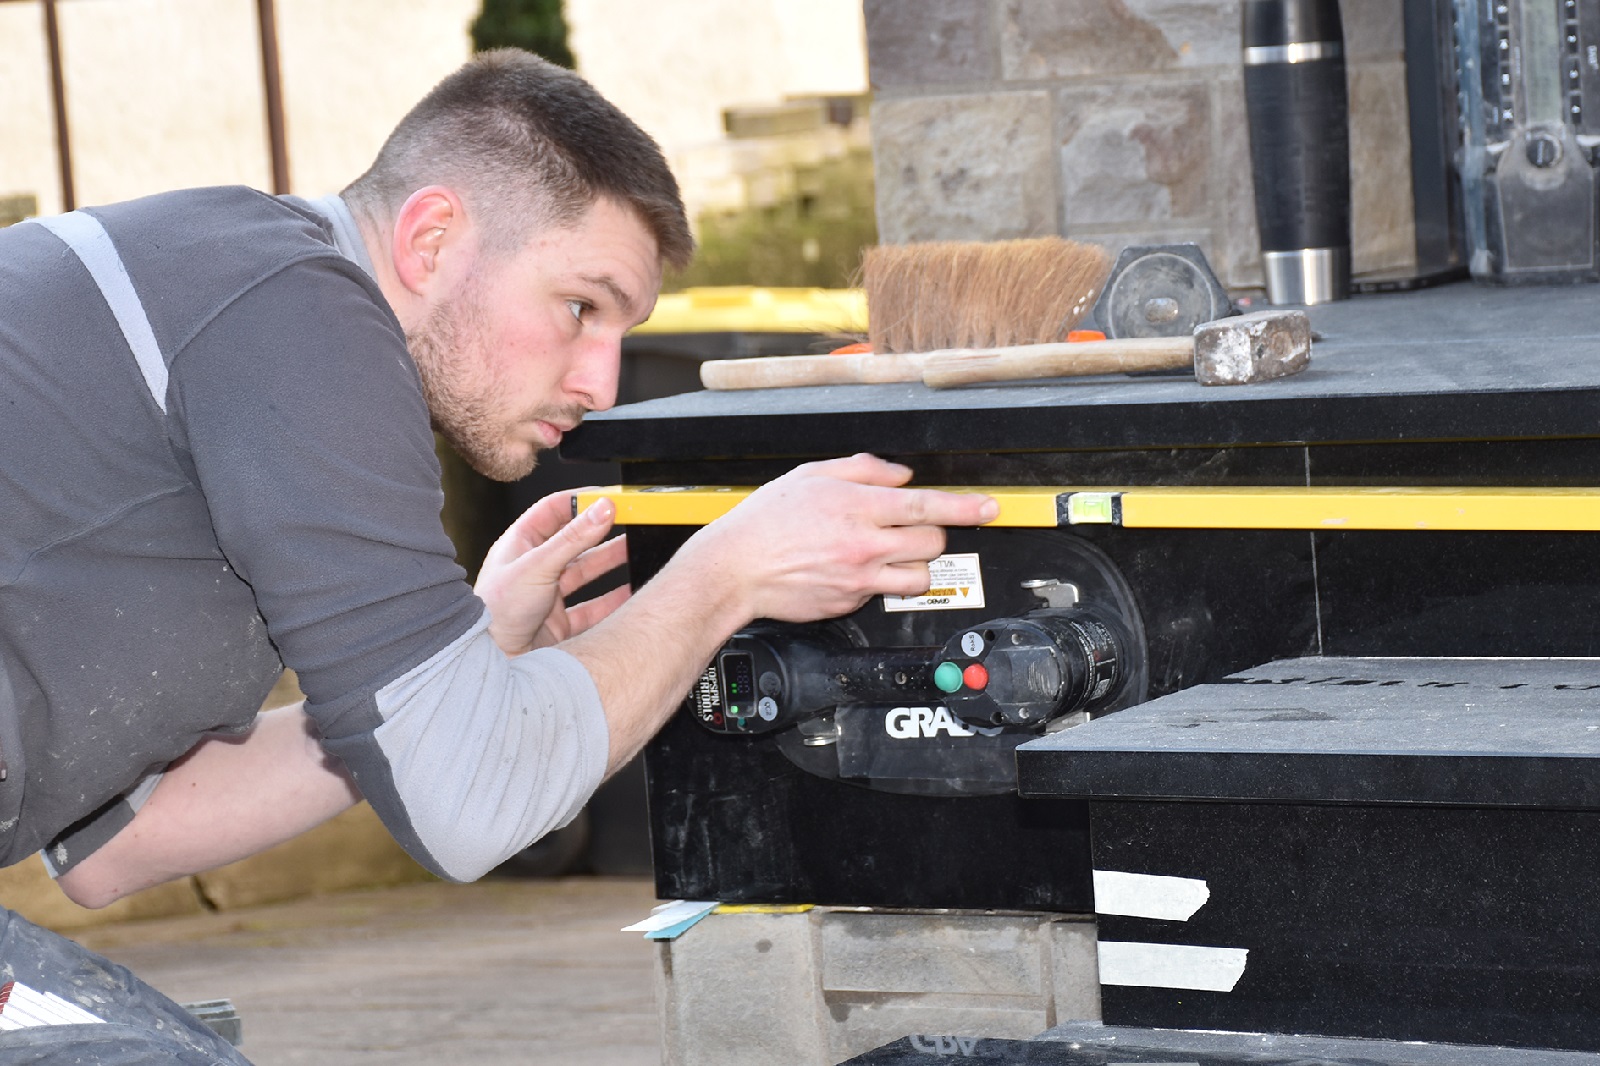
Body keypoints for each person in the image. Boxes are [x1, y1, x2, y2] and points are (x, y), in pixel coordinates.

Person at [0, 48, 995, 1059]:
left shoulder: (228, 305)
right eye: (579, 307)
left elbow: (124, 840)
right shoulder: (298, 307)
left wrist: (471, 655)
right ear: (432, 239)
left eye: (620, 330)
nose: (600, 382)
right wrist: (723, 574)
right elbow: (468, 809)